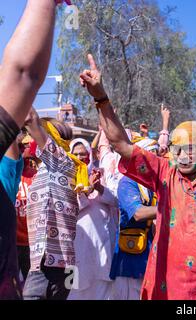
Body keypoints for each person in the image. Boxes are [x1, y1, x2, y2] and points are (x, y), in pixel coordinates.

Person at [79, 54, 196, 299]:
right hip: (169, 288)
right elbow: (121, 143)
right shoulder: (164, 173)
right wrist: (100, 97)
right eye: (177, 149)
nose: (183, 156)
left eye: (189, 148)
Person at [0, 0, 61, 300]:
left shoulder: (51, 168)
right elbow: (25, 74)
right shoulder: (13, 169)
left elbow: (63, 166)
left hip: (48, 260)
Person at [22, 108, 88, 300]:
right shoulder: (62, 165)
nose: (30, 138)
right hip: (64, 264)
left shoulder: (59, 160)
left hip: (48, 264)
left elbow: (29, 117)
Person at [67, 138, 119, 300]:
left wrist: (99, 187)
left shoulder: (99, 173)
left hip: (103, 243)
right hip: (78, 245)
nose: (81, 157)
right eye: (76, 154)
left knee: (103, 289)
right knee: (76, 288)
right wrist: (87, 189)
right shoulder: (66, 178)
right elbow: (70, 210)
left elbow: (115, 201)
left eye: (84, 154)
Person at [109, 138, 159, 300]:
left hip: (149, 255)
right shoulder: (127, 182)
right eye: (151, 156)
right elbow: (138, 213)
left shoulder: (152, 184)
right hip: (130, 260)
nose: (155, 161)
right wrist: (171, 209)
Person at [15, 135, 39, 284]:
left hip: (33, 245)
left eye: (26, 146)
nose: (23, 149)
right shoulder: (8, 175)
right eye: (21, 146)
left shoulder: (37, 176)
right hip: (12, 243)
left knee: (32, 287)